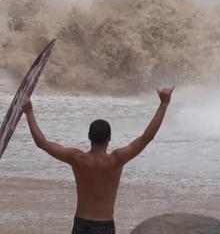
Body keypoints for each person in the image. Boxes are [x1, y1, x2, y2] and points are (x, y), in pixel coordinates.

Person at [22, 86, 175, 234]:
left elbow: (42, 143)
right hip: (104, 226)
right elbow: (147, 137)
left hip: (80, 224)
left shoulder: (77, 159)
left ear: (89, 136)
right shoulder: (116, 160)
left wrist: (29, 113)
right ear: (109, 138)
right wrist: (164, 104)